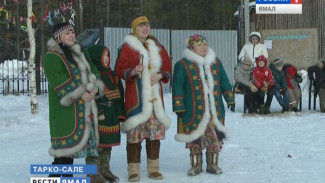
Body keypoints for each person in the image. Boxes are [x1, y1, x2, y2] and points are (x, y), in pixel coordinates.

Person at [42, 22, 106, 181]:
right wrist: (81, 94)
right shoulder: (52, 57)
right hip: (66, 112)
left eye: (72, 32)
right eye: (67, 33)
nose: (71, 35)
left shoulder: (81, 53)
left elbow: (94, 71)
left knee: (69, 155)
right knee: (63, 154)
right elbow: (60, 82)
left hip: (85, 110)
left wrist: (96, 88)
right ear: (58, 38)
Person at [115, 16, 172, 182]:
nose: (145, 28)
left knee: (154, 135)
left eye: (147, 25)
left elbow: (167, 66)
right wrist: (132, 71)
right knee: (134, 136)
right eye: (141, 26)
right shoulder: (127, 47)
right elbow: (119, 69)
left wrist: (160, 75)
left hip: (155, 101)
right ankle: (133, 169)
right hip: (136, 100)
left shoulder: (157, 46)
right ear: (134, 29)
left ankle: (153, 168)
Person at [172, 34, 234, 176]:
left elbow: (224, 80)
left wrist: (229, 97)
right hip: (192, 110)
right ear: (191, 48)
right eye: (199, 45)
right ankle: (196, 165)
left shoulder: (216, 62)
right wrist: (178, 105)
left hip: (214, 110)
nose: (203, 47)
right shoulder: (182, 65)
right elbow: (178, 86)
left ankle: (213, 164)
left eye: (205, 44)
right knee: (194, 139)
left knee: (214, 137)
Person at [87, 45, 126, 183]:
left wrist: (121, 113)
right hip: (100, 116)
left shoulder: (113, 75)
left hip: (112, 115)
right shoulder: (94, 76)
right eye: (104, 56)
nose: (107, 59)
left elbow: (120, 95)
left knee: (107, 145)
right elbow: (94, 97)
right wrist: (99, 112)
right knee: (96, 144)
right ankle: (92, 173)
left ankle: (105, 168)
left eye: (108, 56)